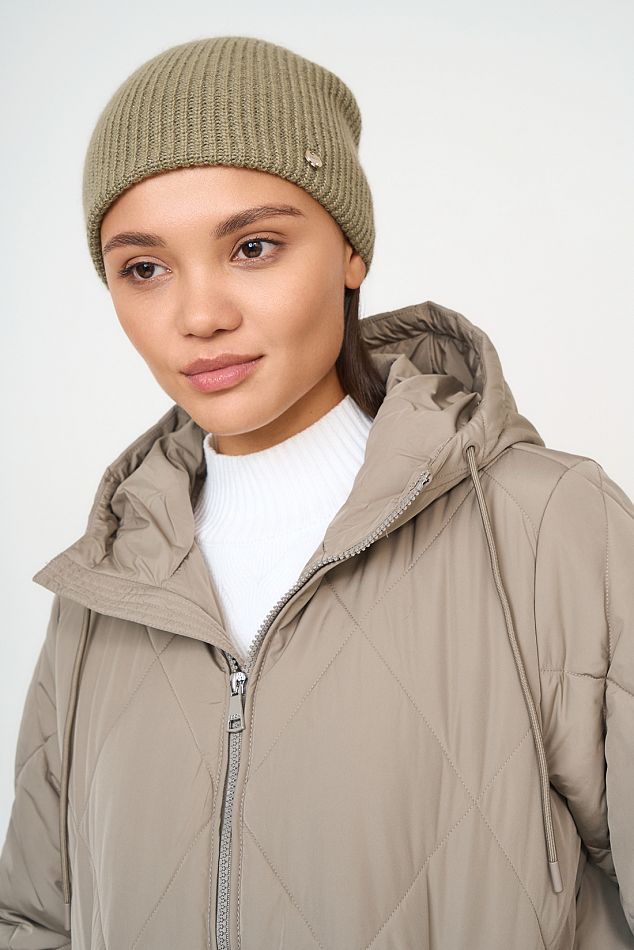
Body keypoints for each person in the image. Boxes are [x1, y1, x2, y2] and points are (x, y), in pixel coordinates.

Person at [0, 34, 632, 950]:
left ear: (349, 251)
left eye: (253, 247)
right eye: (144, 268)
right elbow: (34, 918)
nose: (199, 315)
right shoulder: (107, 586)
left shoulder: (551, 527)